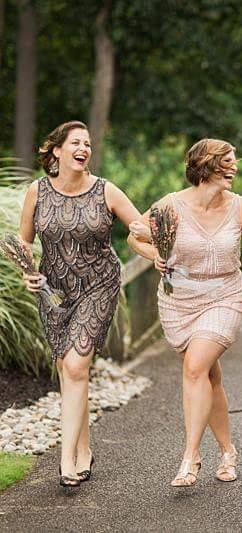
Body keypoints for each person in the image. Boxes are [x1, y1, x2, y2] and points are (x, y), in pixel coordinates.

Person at [128, 138, 242, 487]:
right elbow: (135, 237)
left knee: (195, 367)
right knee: (209, 377)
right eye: (227, 162)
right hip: (178, 300)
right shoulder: (170, 205)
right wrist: (152, 253)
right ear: (205, 166)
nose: (235, 168)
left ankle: (190, 456)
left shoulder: (241, 205)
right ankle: (228, 451)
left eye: (234, 161)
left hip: (224, 295)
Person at [18, 121, 143, 487]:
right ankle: (84, 450)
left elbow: (141, 228)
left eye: (87, 144)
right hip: (54, 291)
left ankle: (66, 460)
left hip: (98, 286)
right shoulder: (37, 192)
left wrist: (161, 239)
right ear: (56, 151)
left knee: (75, 365)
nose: (83, 148)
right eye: (75, 142)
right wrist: (28, 272)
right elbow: (25, 242)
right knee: (69, 370)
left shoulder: (106, 191)